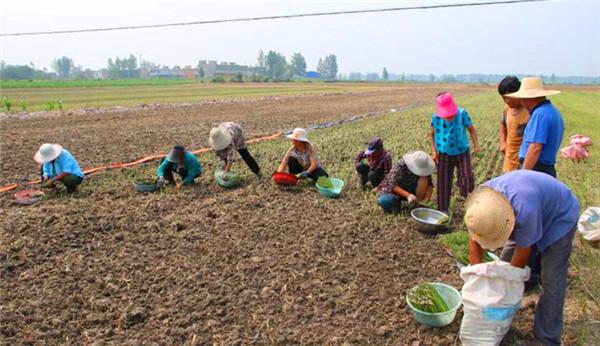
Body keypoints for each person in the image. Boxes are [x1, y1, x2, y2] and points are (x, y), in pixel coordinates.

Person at [465, 170, 580, 346]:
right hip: (530, 209)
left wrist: (507, 288)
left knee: (552, 279)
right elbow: (475, 241)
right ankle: (504, 314)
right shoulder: (482, 205)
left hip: (560, 215)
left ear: (507, 222)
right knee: (504, 266)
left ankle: (546, 338)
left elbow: (522, 255)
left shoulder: (525, 209)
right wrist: (479, 281)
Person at [429, 92, 480, 211]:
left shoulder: (462, 114)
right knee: (443, 182)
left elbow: (472, 130)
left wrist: (476, 145)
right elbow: (431, 135)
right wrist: (434, 151)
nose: (448, 116)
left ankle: (471, 205)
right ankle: (443, 210)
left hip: (462, 152)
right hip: (444, 153)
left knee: (467, 177)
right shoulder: (435, 118)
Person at [507, 76, 563, 177]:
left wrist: (523, 175)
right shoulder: (552, 111)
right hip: (546, 168)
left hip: (536, 169)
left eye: (523, 99)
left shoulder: (540, 114)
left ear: (529, 98)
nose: (522, 103)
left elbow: (535, 147)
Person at [498, 76, 530, 172]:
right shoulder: (506, 109)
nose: (506, 101)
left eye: (509, 97)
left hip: (524, 163)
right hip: (509, 162)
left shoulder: (529, 111)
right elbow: (502, 124)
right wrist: (503, 142)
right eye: (504, 98)